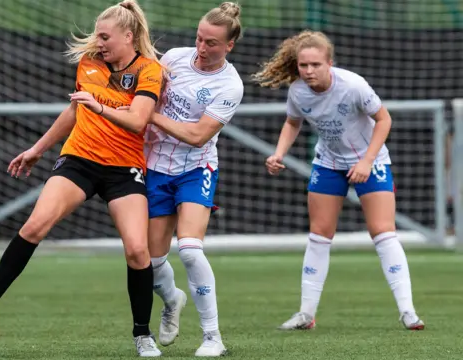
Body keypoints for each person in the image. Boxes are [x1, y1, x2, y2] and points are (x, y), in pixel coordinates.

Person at [0, 0, 165, 356]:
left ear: (128, 36)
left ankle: (142, 334)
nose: (97, 41)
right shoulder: (90, 63)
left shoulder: (149, 70)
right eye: (97, 35)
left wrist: (99, 105)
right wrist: (37, 149)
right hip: (79, 160)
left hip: (124, 168)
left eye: (105, 36)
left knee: (137, 249)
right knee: (35, 225)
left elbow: (138, 120)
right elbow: (75, 110)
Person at [251, 30, 425, 330]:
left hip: (371, 160)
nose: (308, 71)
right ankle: (306, 315)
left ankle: (408, 311)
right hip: (328, 163)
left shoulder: (353, 86)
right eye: (303, 65)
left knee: (383, 232)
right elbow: (292, 122)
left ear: (329, 63)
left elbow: (384, 120)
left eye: (315, 65)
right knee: (319, 234)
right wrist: (278, 153)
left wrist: (367, 162)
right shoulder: (297, 91)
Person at [142, 2, 243, 356]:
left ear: (229, 45)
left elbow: (199, 135)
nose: (202, 48)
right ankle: (172, 300)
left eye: (212, 43)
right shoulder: (174, 57)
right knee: (150, 261)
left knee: (188, 249)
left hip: (196, 167)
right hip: (155, 167)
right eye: (199, 38)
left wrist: (150, 116)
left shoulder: (230, 85)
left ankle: (213, 337)